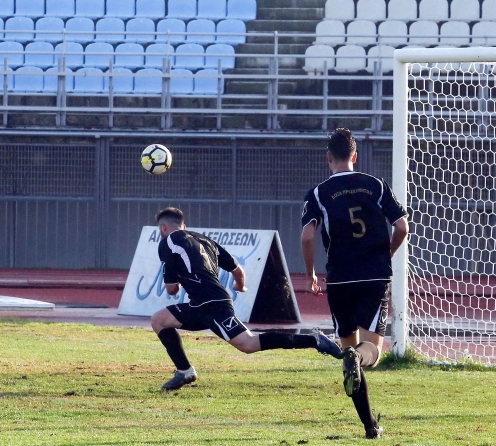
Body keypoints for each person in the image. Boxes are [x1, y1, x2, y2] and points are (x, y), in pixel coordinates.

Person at [151, 207, 343, 391]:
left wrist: (180, 280)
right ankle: (184, 371)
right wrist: (240, 286)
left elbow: (171, 289)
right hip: (206, 303)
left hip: (211, 305)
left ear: (163, 228)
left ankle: (314, 340)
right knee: (160, 320)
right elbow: (238, 271)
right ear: (184, 226)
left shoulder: (167, 243)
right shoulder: (205, 240)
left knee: (249, 344)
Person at [300, 128, 409, 439]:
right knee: (370, 353)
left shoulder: (319, 193)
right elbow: (402, 226)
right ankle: (355, 359)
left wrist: (309, 275)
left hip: (339, 279)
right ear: (355, 156)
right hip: (374, 276)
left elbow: (307, 235)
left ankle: (370, 427)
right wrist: (385, 254)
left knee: (350, 349)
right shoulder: (375, 185)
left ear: (328, 158)